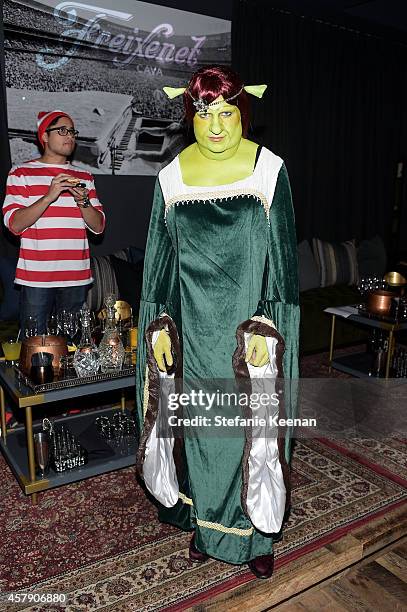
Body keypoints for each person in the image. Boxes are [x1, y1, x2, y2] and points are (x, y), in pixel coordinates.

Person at [136, 66, 299, 578]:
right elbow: (158, 265)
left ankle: (256, 541)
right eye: (204, 113)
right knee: (203, 435)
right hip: (193, 330)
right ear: (190, 117)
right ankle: (209, 528)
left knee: (253, 435)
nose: (216, 126)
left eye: (227, 113)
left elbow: (283, 268)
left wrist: (268, 324)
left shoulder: (268, 170)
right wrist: (159, 325)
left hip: (249, 334)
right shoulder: (171, 176)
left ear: (243, 113)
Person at [3, 110, 105, 335]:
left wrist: (83, 202)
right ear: (45, 136)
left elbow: (98, 227)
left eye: (72, 131)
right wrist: (50, 196)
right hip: (37, 277)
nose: (70, 136)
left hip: (76, 276)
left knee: (71, 348)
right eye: (62, 130)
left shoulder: (85, 177)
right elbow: (14, 224)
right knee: (35, 347)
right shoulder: (21, 173)